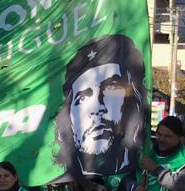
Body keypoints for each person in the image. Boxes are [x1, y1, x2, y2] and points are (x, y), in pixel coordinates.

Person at [53, 34, 146, 181]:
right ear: (68, 115)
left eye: (111, 89)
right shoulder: (57, 186)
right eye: (83, 97)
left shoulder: (145, 175)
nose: (97, 108)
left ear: (134, 102)